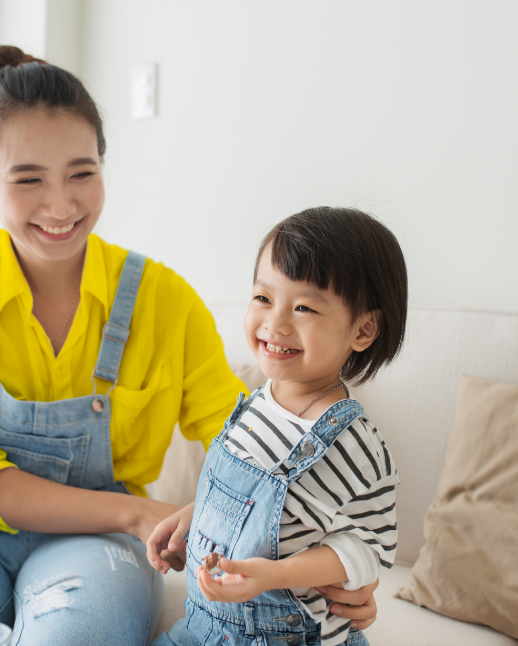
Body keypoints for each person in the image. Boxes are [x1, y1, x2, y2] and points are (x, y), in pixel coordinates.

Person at [0, 46, 380, 645]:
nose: (60, 205)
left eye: (81, 173)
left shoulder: (162, 299)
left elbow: (249, 444)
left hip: (100, 547)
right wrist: (138, 512)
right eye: (27, 178)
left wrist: (335, 563)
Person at [147, 207, 407, 646]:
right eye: (264, 298)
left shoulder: (354, 445)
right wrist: (193, 519)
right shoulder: (256, 403)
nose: (275, 323)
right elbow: (254, 506)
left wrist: (275, 575)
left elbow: (367, 551)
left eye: (303, 306)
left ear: (363, 330)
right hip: (203, 628)